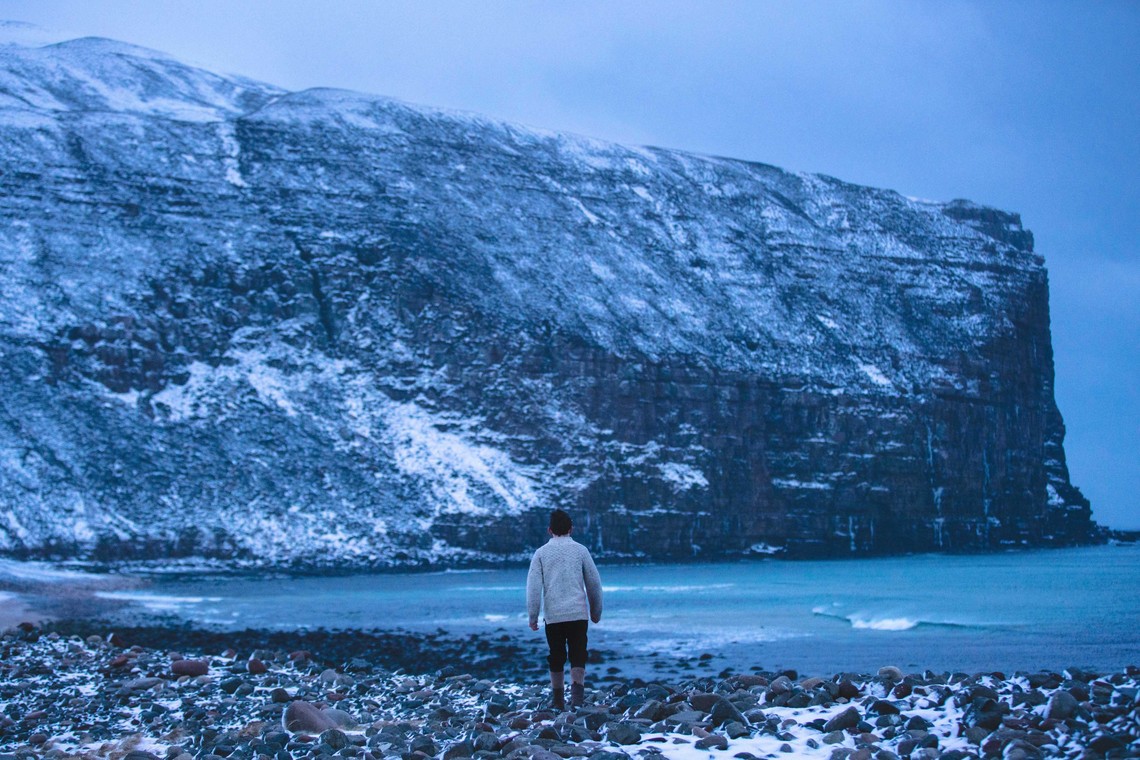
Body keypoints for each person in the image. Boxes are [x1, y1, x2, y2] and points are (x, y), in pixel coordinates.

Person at [526, 508, 603, 710]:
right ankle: (577, 699)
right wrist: (596, 612)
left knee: (556, 656)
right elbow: (594, 583)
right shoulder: (581, 550)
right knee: (578, 654)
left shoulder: (541, 554)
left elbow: (533, 587)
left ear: (549, 530)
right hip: (578, 614)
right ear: (571, 529)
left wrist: (533, 616)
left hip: (553, 616)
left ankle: (558, 701)